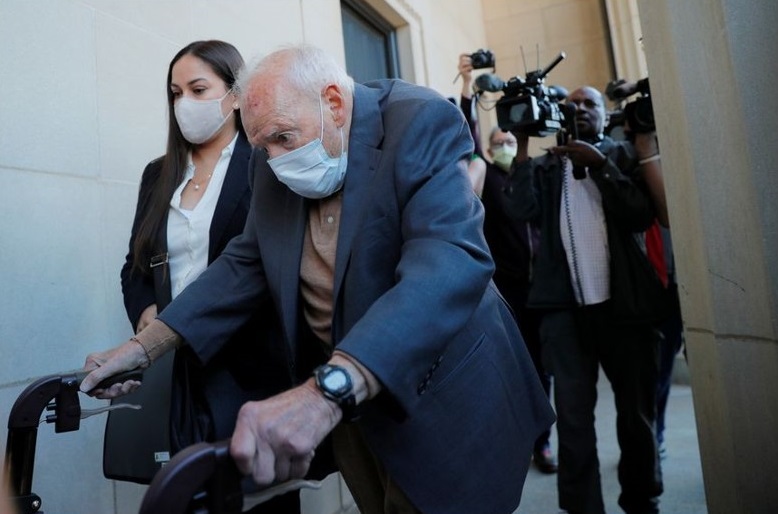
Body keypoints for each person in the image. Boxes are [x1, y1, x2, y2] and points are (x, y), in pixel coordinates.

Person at [81, 44, 555, 514]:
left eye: (284, 138)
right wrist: (146, 347)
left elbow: (448, 261)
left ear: (333, 102)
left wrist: (326, 392)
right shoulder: (269, 154)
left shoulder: (418, 121)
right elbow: (244, 261)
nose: (273, 158)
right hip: (350, 409)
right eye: (263, 144)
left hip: (442, 396)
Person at [112, 40, 302, 513]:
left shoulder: (265, 161)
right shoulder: (158, 174)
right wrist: (147, 317)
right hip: (177, 371)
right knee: (184, 494)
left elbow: (271, 263)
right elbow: (134, 266)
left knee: (258, 498)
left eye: (198, 89)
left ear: (236, 94)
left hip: (251, 369)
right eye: (175, 93)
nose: (184, 105)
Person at [502, 85, 665, 514]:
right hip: (564, 314)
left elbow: (642, 214)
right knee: (573, 421)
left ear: (604, 112)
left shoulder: (624, 154)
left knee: (636, 416)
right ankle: (582, 507)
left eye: (589, 103)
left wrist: (602, 166)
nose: (579, 110)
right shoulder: (545, 167)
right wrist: (521, 147)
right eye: (571, 104)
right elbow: (520, 210)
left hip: (626, 310)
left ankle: (642, 499)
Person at [456, 52, 558, 474]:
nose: (505, 147)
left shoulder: (532, 172)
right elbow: (468, 136)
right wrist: (466, 85)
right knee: (515, 367)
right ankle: (522, 441)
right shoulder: (492, 178)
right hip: (509, 288)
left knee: (545, 368)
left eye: (510, 142)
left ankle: (543, 441)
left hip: (546, 288)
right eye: (499, 143)